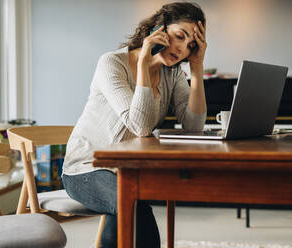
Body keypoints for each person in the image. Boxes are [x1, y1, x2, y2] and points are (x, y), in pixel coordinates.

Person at [62, 2, 207, 247]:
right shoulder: (112, 63)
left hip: (126, 171)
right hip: (85, 169)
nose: (183, 49)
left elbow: (194, 127)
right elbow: (140, 125)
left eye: (191, 45)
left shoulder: (172, 74)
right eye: (179, 36)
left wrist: (197, 67)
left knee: (129, 203)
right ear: (158, 29)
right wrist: (142, 66)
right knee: (135, 205)